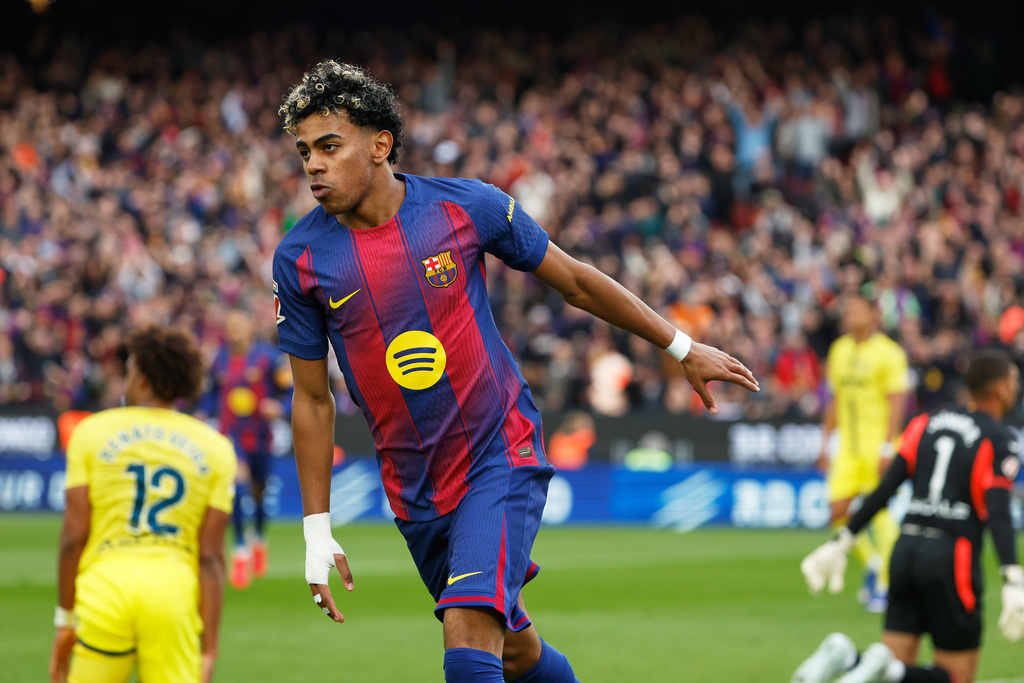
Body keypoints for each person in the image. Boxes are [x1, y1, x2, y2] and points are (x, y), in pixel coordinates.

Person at [271, 60, 760, 683]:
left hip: (499, 454)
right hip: (415, 487)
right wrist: (317, 531)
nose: (312, 164)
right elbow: (312, 400)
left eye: (329, 146)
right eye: (304, 151)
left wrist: (683, 347)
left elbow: (577, 282)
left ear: (380, 145)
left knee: (468, 635)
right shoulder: (301, 256)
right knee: (516, 649)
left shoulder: (465, 206)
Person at [794, 348, 1024, 683]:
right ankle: (880, 666)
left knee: (887, 671)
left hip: (906, 552)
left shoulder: (925, 422)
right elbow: (1000, 514)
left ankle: (849, 657)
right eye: (1014, 380)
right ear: (1000, 387)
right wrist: (1012, 577)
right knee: (956, 676)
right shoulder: (998, 438)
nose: (1017, 387)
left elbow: (885, 489)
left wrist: (842, 541)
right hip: (951, 556)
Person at [48, 324, 237, 683]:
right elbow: (211, 557)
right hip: (173, 592)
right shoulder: (216, 447)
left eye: (130, 373)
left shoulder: (91, 432)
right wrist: (209, 648)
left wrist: (64, 621)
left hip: (105, 588)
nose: (126, 382)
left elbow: (73, 538)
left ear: (145, 380)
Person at [819, 294, 909, 611]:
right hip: (847, 447)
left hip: (877, 447)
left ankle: (887, 583)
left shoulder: (889, 352)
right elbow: (834, 399)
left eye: (858, 308)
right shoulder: (839, 350)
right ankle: (872, 564)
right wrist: (824, 441)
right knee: (837, 513)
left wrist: (888, 446)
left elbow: (898, 402)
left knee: (880, 515)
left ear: (874, 315)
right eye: (849, 309)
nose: (851, 314)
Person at [203, 308, 291, 590]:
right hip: (232, 436)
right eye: (229, 326)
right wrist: (201, 413)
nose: (233, 331)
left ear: (250, 327)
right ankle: (240, 549)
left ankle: (259, 540)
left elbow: (291, 391)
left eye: (238, 325)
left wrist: (280, 408)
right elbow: (210, 396)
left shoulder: (268, 358)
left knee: (259, 494)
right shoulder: (219, 359)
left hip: (261, 437)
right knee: (237, 489)